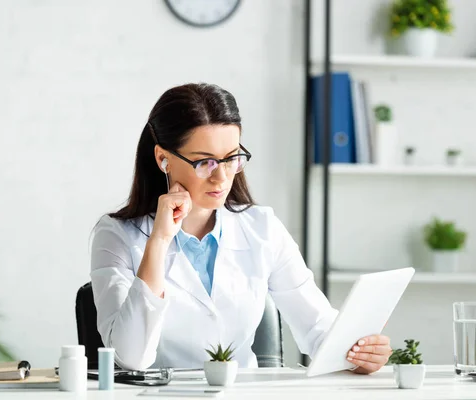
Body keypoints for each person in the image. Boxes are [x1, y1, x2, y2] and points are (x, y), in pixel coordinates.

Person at [89, 83, 392, 373]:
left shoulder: (262, 227)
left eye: (231, 158)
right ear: (163, 158)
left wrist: (357, 353)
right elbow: (130, 357)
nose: (221, 177)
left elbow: (318, 327)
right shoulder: (117, 235)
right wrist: (159, 240)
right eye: (204, 162)